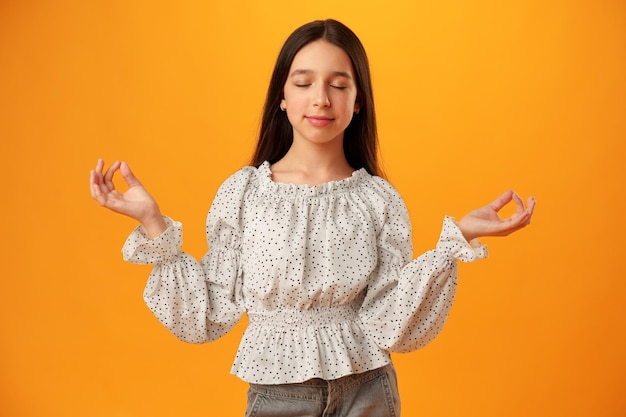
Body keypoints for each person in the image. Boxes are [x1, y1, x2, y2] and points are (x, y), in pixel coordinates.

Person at [90, 19, 535, 417]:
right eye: (303, 83)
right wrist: (153, 223)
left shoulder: (378, 199)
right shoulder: (244, 194)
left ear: (358, 101)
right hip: (278, 396)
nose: (321, 99)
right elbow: (206, 311)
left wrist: (458, 239)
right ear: (281, 97)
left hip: (370, 391)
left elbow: (391, 318)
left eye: (339, 85)